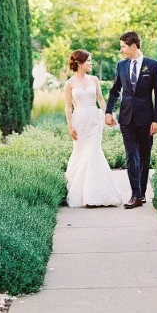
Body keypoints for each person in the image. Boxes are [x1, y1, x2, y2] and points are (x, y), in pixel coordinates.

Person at [105, 31, 157, 209]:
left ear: (133, 46)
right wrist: (108, 111)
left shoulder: (153, 65)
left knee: (144, 157)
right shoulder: (121, 66)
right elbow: (115, 90)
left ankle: (142, 193)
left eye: (123, 46)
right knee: (132, 155)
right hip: (126, 118)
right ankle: (135, 195)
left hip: (146, 119)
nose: (121, 50)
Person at [64, 49, 123, 208]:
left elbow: (101, 100)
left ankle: (96, 194)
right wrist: (70, 126)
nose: (91, 63)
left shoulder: (94, 80)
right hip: (79, 121)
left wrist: (108, 115)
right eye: (88, 61)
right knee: (81, 153)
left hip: (95, 121)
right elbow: (68, 107)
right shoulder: (69, 84)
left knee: (94, 152)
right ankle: (81, 193)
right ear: (79, 63)